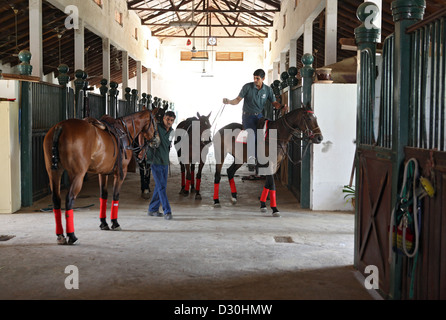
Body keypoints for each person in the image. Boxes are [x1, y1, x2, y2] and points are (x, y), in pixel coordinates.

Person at [223, 69, 282, 171]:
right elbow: (237, 100)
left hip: (259, 116)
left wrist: (280, 107)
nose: (255, 80)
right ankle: (251, 159)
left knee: (266, 133)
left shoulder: (268, 90)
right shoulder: (247, 87)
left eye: (257, 78)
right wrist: (229, 101)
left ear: (263, 79)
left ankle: (264, 157)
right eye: (254, 78)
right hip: (248, 116)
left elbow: (274, 103)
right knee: (252, 134)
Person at [147, 110, 176, 220]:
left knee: (160, 186)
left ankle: (152, 209)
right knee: (162, 186)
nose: (169, 122)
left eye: (171, 120)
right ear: (163, 118)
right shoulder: (156, 127)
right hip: (155, 161)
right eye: (167, 119)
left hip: (165, 161)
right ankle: (167, 211)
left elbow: (168, 146)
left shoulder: (172, 131)